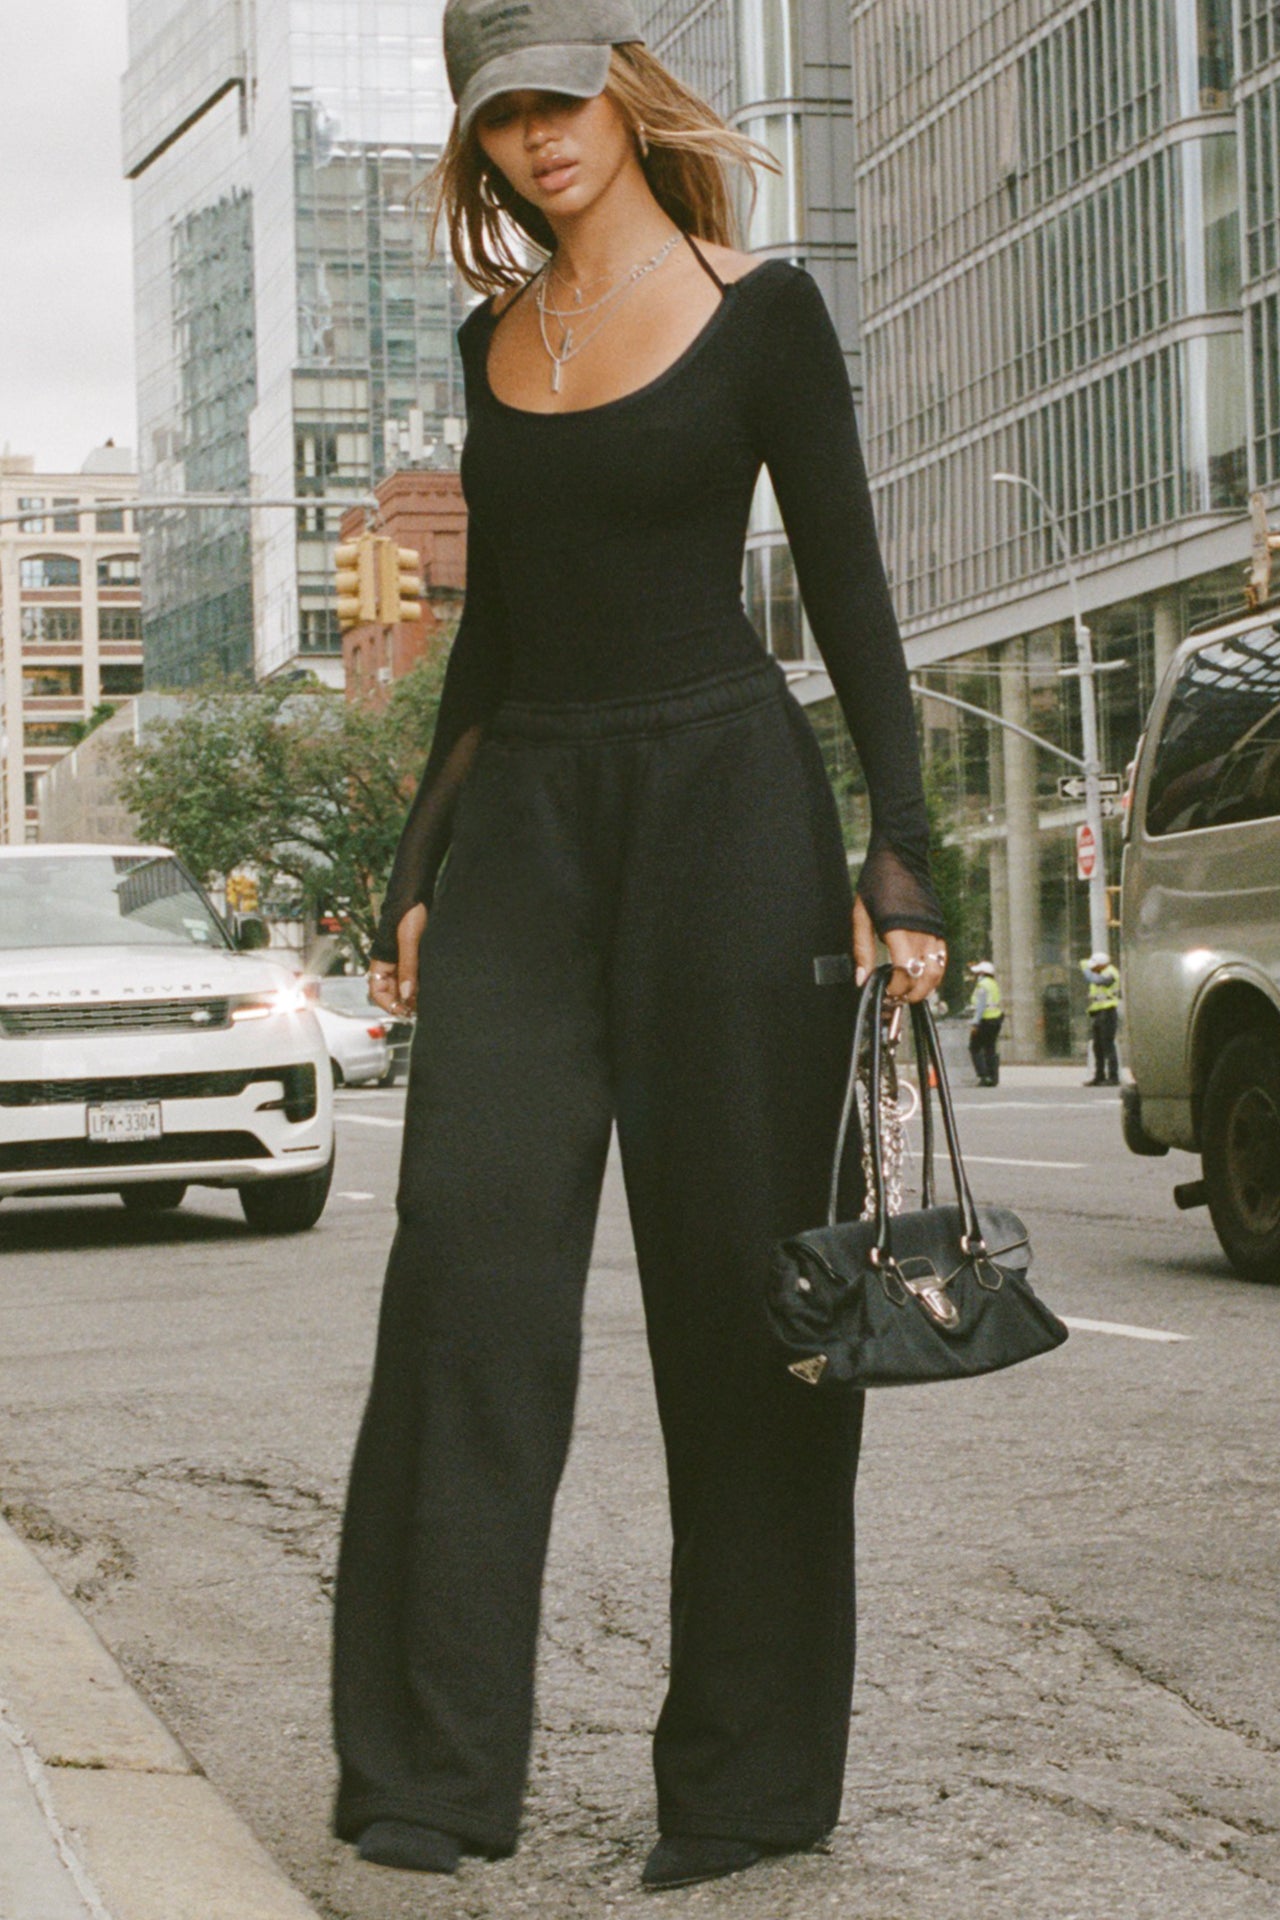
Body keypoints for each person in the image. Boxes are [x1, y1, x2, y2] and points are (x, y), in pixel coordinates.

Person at [332, 0, 947, 1895]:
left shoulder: (764, 315)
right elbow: (492, 643)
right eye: (499, 114)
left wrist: (904, 855)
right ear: (479, 140)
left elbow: (844, 580)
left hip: (725, 810)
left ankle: (746, 1783)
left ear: (619, 85)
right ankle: (430, 1776)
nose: (538, 136)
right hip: (528, 823)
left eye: (557, 95)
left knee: (739, 1297)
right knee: (465, 1273)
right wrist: (421, 866)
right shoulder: (490, 341)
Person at [1081, 950, 1121, 1085]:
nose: (1093, 967)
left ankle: (1113, 1077)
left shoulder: (1110, 972)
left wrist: (1087, 970)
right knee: (1097, 1046)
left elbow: (1098, 981)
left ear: (1102, 964)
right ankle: (1099, 1076)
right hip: (1098, 1012)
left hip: (1108, 1012)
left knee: (1108, 1045)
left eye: (1095, 965)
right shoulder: (1098, 971)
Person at [967, 961, 1003, 1086]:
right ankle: (993, 1077)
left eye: (977, 973)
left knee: (974, 1047)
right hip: (996, 1019)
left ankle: (983, 1075)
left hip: (985, 1020)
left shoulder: (982, 985)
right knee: (990, 1048)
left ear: (982, 973)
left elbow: (981, 1006)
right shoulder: (993, 984)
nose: (976, 975)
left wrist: (975, 1023)